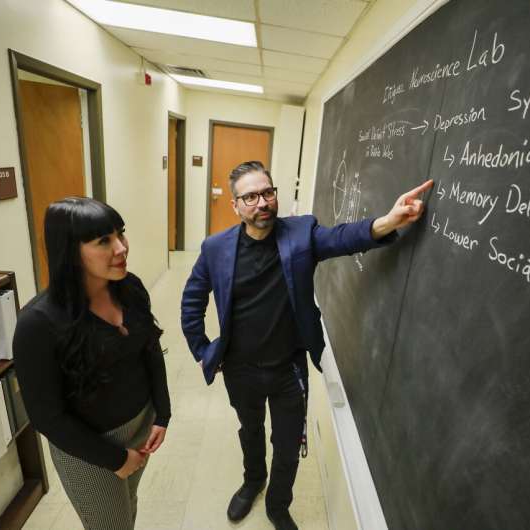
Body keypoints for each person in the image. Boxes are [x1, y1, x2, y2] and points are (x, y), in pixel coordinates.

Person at [181, 160, 433, 530]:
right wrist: (204, 351)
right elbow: (192, 301)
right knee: (249, 429)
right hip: (240, 367)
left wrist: (389, 221)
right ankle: (253, 482)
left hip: (289, 369)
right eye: (250, 197)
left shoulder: (301, 233)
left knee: (287, 445)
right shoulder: (216, 248)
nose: (262, 202)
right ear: (235, 206)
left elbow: (342, 238)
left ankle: (278, 505)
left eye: (267, 192)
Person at [13, 197, 171, 530]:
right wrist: (116, 459)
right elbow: (46, 417)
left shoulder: (129, 287)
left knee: (127, 509)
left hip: (140, 427)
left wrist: (162, 412)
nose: (121, 247)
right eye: (104, 241)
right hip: (88, 450)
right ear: (70, 251)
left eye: (120, 234)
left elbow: (149, 350)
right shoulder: (38, 323)